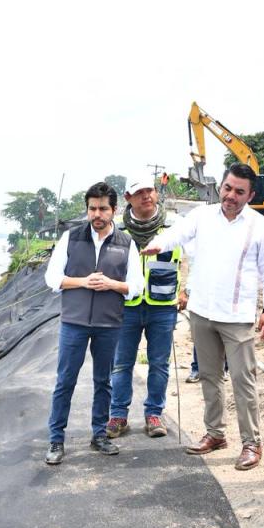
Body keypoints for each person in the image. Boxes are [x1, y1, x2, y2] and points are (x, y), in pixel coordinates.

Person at [141, 163, 264, 469]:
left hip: (237, 315)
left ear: (250, 195)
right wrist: (158, 244)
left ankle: (251, 443)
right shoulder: (202, 216)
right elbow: (177, 233)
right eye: (228, 188)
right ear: (221, 187)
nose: (231, 195)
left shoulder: (260, 226)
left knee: (244, 380)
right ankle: (215, 433)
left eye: (239, 191)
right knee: (209, 377)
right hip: (202, 311)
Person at [43, 181, 143, 465]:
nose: (96, 214)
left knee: (104, 382)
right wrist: (83, 282)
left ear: (114, 210)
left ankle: (99, 434)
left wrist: (112, 284)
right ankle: (56, 439)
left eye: (102, 209)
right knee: (65, 382)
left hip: (109, 324)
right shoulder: (71, 238)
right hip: (74, 322)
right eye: (92, 209)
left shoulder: (126, 243)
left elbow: (137, 285)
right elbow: (53, 278)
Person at [106, 172, 181, 439]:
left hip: (163, 305)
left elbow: (191, 258)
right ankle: (118, 415)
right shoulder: (117, 230)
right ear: (128, 198)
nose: (147, 196)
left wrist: (186, 292)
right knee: (120, 363)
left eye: (150, 190)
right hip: (126, 306)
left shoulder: (174, 226)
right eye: (139, 193)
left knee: (159, 363)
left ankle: (154, 414)